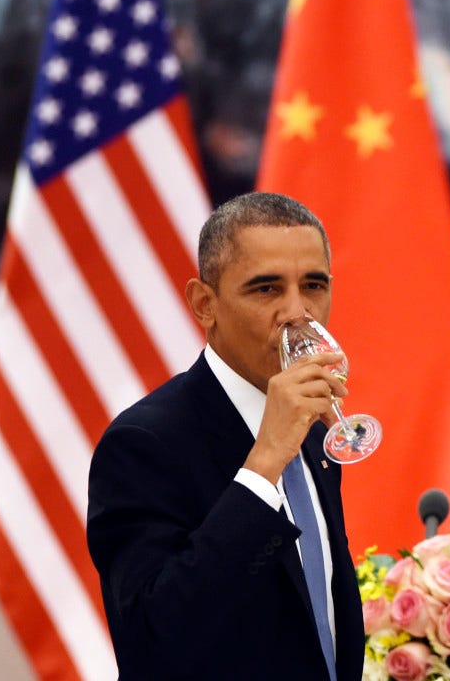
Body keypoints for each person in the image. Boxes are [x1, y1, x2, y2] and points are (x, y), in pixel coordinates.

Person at [87, 192, 364, 679]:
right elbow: (152, 642)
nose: (298, 313)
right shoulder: (143, 442)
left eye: (314, 284)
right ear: (204, 303)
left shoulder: (317, 434)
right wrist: (265, 463)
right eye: (266, 289)